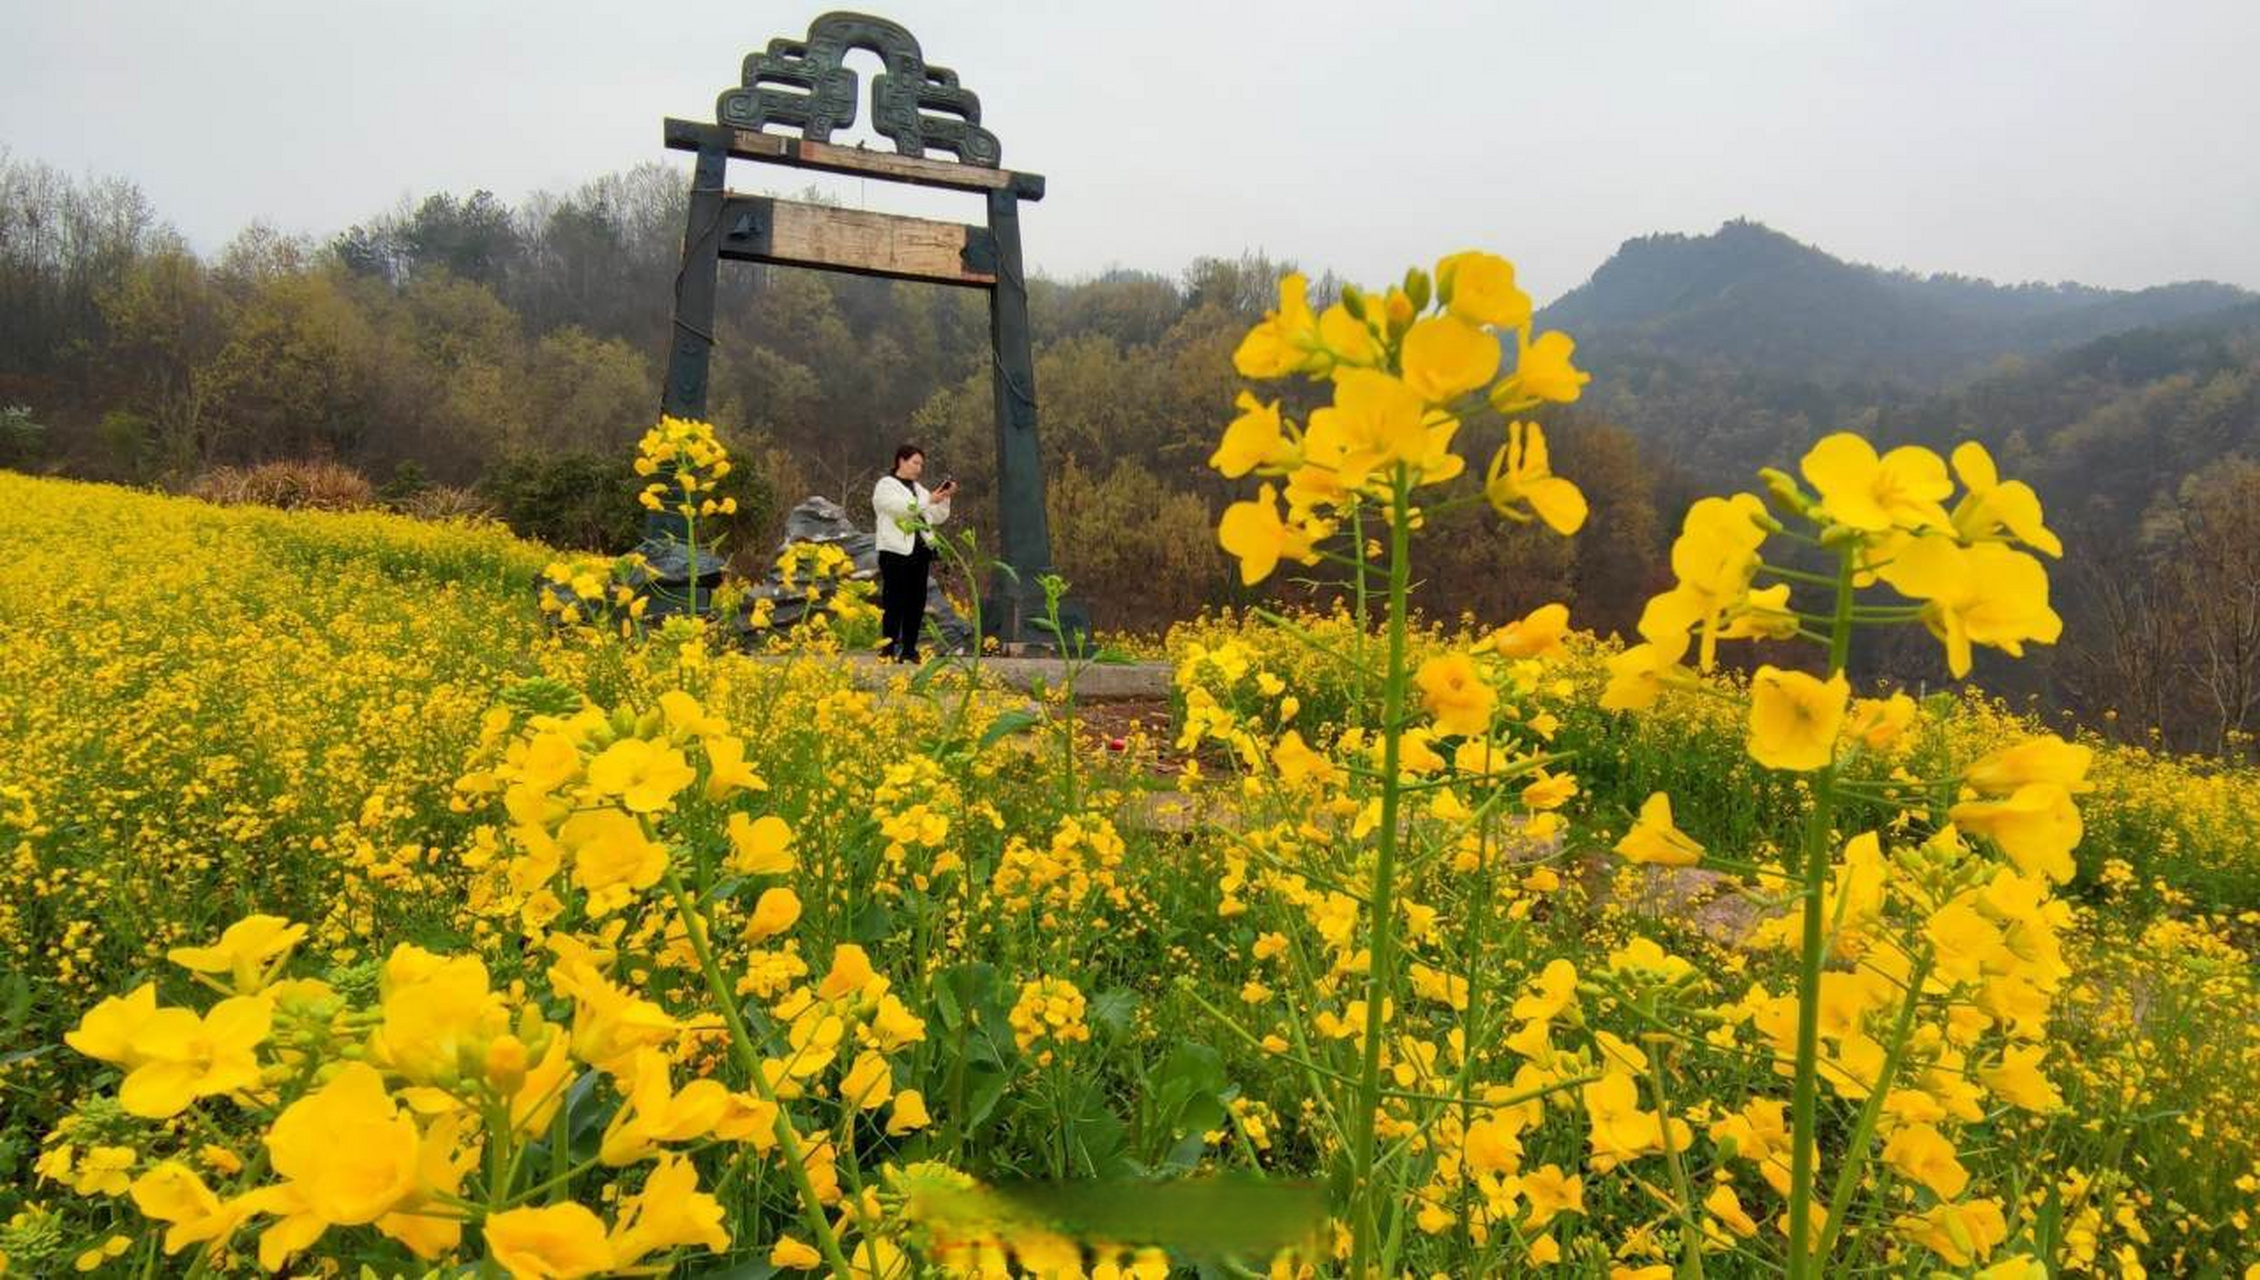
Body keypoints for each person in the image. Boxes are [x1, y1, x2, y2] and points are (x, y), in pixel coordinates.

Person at [870, 442, 955, 662]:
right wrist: (929, 500)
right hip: (895, 551)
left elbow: (935, 516)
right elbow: (903, 509)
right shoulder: (886, 485)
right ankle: (888, 648)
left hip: (920, 551)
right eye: (915, 462)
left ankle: (909, 648)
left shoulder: (919, 490)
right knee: (894, 600)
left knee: (916, 601)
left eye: (921, 464)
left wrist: (944, 497)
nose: (919, 468)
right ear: (901, 461)